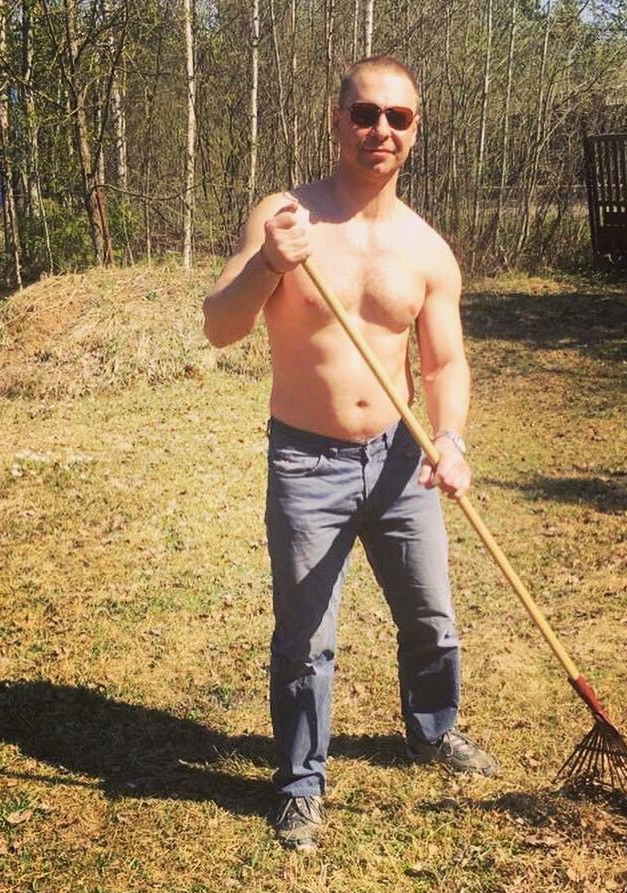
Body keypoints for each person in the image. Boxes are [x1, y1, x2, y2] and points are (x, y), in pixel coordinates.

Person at [202, 55, 497, 852]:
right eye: (365, 113)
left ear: (416, 131)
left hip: (401, 459)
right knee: (306, 639)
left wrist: (451, 437)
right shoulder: (285, 218)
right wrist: (269, 264)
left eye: (398, 117)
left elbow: (445, 362)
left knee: (431, 618)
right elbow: (219, 327)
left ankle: (432, 731)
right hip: (307, 463)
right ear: (337, 121)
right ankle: (301, 782)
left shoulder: (426, 249)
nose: (380, 130)